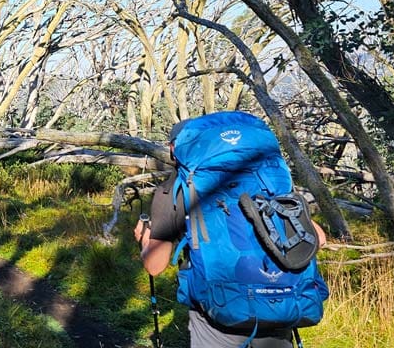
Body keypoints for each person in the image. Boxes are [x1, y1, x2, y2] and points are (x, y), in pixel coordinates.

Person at [134, 114, 328, 348]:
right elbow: (319, 239)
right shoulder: (267, 181)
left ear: (175, 149)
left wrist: (144, 239)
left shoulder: (173, 190)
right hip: (282, 302)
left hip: (221, 310)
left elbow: (155, 266)